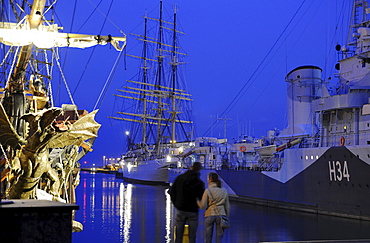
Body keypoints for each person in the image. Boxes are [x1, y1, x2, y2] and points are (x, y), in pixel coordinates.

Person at [170, 162, 205, 243]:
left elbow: (172, 192)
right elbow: (201, 197)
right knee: (192, 235)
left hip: (181, 209)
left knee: (179, 234)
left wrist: (176, 204)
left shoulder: (179, 179)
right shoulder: (199, 183)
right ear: (199, 170)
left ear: (191, 167)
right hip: (193, 210)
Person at [197, 172, 230, 243]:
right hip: (221, 214)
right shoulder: (224, 190)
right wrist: (226, 216)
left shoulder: (207, 191)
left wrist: (197, 201)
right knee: (219, 238)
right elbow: (227, 206)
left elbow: (203, 206)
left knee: (208, 238)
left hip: (209, 214)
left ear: (210, 179)